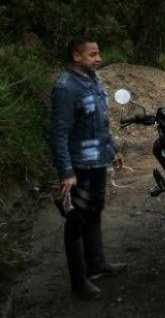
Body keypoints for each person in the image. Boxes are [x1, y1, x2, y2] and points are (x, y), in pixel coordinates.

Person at [50, 36, 127, 300]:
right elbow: (59, 133)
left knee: (94, 211)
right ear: (77, 56)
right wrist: (66, 172)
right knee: (76, 221)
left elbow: (100, 123)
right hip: (79, 166)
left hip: (97, 161)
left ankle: (97, 264)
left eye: (99, 53)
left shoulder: (93, 80)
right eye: (93, 54)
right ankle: (79, 282)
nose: (99, 58)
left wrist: (113, 150)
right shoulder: (65, 87)